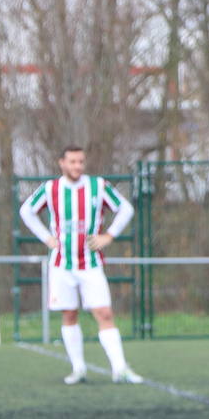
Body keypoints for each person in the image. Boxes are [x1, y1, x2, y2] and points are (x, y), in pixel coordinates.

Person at [19, 146, 141, 384]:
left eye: (81, 162)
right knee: (69, 313)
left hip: (90, 263)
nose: (77, 166)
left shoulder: (98, 186)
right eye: (72, 162)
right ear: (61, 163)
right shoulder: (51, 189)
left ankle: (120, 368)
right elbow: (26, 211)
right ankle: (78, 368)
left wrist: (110, 235)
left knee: (104, 312)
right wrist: (46, 237)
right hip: (62, 264)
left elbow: (125, 209)